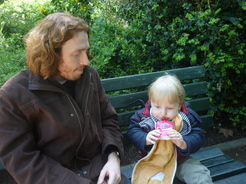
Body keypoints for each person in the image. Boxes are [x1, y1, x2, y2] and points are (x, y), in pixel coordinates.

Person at [0, 12, 130, 184]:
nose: (86, 61)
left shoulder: (89, 76)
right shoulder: (12, 95)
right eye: (77, 54)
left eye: (86, 50)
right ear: (50, 55)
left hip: (103, 173)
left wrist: (113, 159)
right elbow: (24, 162)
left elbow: (108, 120)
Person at [127, 74, 213, 184]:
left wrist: (184, 143)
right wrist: (145, 138)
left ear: (179, 105)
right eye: (157, 107)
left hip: (181, 160)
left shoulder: (187, 118)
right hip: (153, 162)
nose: (163, 113)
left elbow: (198, 136)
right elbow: (132, 131)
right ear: (151, 101)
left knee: (200, 175)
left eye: (169, 108)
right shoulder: (143, 117)